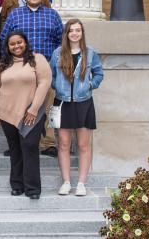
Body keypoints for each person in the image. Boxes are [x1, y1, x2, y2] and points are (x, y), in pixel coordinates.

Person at [1, 0, 62, 158]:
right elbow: (5, 40)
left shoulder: (53, 15)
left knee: (48, 105)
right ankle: (16, 142)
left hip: (47, 69)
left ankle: (48, 142)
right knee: (19, 104)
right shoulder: (15, 15)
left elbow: (60, 42)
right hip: (20, 70)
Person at [0, 31, 51, 199]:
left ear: (25, 43)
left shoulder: (37, 59)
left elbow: (45, 83)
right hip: (6, 113)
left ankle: (32, 189)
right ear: (7, 47)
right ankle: (17, 185)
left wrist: (34, 108)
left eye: (19, 42)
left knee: (30, 146)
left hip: (31, 112)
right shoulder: (2, 65)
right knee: (15, 149)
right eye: (12, 44)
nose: (16, 46)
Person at [51, 19, 104, 196]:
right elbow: (51, 75)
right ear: (66, 34)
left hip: (84, 103)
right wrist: (57, 86)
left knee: (83, 145)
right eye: (71, 30)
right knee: (64, 144)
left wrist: (90, 85)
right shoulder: (58, 53)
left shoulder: (90, 53)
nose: (74, 33)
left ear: (82, 33)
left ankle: (81, 183)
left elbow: (99, 73)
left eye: (78, 30)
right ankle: (66, 182)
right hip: (63, 102)